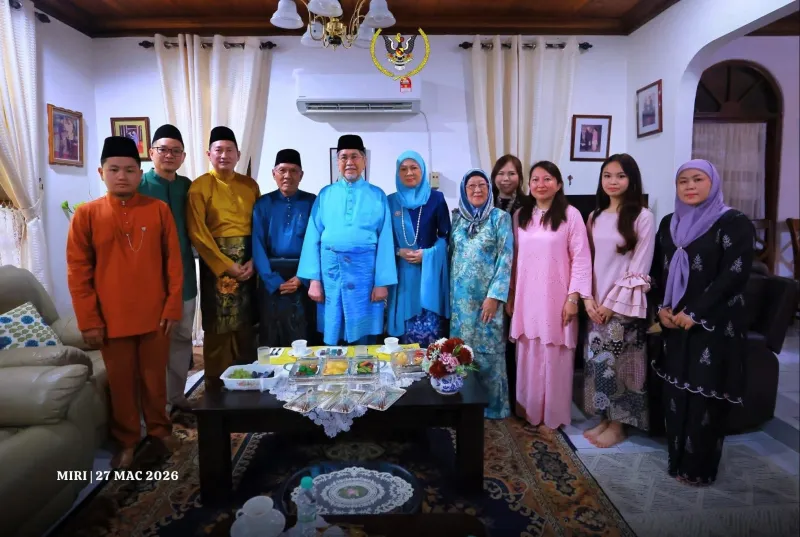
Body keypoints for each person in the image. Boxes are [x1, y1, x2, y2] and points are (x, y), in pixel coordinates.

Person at [66, 136, 183, 469]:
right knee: (121, 384)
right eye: (114, 169)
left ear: (140, 174)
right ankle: (128, 441)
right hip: (110, 318)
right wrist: (89, 321)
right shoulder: (86, 214)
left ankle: (160, 430)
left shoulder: (158, 210)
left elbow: (174, 264)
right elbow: (78, 272)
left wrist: (172, 306)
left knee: (154, 380)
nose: (122, 176)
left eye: (130, 170)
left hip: (155, 315)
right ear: (101, 172)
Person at [650, 159, 753, 486]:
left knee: (705, 398)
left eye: (698, 179)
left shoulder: (733, 222)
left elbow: (733, 276)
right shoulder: (669, 223)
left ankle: (699, 469)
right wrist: (661, 309)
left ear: (713, 183)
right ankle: (676, 461)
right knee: (675, 394)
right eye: (683, 181)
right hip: (675, 325)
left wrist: (695, 313)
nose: (690, 186)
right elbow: (657, 271)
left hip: (715, 325)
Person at [508, 161, 592, 429]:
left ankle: (553, 417)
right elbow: (514, 259)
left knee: (555, 355)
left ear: (558, 184)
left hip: (557, 298)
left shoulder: (571, 215)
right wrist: (511, 294)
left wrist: (573, 298)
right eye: (535, 179)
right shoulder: (520, 215)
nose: (540, 184)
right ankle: (529, 411)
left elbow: (581, 259)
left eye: (547, 179)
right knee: (528, 352)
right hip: (526, 297)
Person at [582, 154, 656, 447]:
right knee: (599, 365)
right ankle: (604, 418)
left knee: (622, 365)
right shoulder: (595, 216)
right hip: (595, 305)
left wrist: (610, 305)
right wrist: (588, 300)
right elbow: (586, 262)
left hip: (623, 305)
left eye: (620, 176)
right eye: (607, 175)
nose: (613, 181)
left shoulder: (643, 217)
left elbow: (639, 267)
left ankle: (619, 426)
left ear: (632, 180)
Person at [298, 134, 397, 345]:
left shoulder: (377, 195)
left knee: (364, 339)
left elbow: (386, 241)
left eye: (354, 156)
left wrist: (382, 283)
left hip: (365, 276)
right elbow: (312, 238)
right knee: (333, 337)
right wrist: (314, 281)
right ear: (338, 162)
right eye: (344, 157)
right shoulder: (325, 194)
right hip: (331, 275)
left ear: (364, 161)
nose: (349, 162)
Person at [187, 126, 260, 390]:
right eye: (218, 150)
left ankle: (250, 382)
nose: (224, 155)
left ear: (238, 154)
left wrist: (255, 261)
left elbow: (259, 226)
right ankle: (216, 388)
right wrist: (225, 265)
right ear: (209, 154)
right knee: (219, 326)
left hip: (248, 265)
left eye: (230, 150)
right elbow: (198, 232)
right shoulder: (199, 187)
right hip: (217, 267)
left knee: (247, 324)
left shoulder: (249, 185)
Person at [137, 124, 197, 415]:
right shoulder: (139, 185)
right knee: (155, 342)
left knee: (182, 338)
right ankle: (156, 405)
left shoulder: (188, 187)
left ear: (183, 156)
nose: (169, 155)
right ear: (151, 153)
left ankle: (177, 396)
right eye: (163, 149)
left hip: (185, 276)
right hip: (150, 280)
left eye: (176, 151)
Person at [450, 169, 513, 419]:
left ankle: (493, 408)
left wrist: (495, 296)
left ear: (489, 189)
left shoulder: (500, 218)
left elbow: (506, 258)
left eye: (482, 185)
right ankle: (464, 405)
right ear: (464, 191)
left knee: (489, 354)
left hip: (487, 300)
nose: (477, 190)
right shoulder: (457, 219)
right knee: (460, 353)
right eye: (471, 186)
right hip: (460, 303)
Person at [252, 149, 318, 347]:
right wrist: (272, 280)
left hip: (303, 275)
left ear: (301, 175)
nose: (287, 175)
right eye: (282, 170)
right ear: (274, 173)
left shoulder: (312, 202)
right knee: (272, 335)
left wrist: (302, 277)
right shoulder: (263, 203)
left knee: (303, 333)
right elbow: (257, 244)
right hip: (271, 276)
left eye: (293, 171)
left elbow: (316, 243)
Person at [386, 150, 451, 346]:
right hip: (402, 276)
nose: (409, 173)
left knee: (430, 338)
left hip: (428, 275)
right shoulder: (390, 201)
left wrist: (428, 255)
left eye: (414, 168)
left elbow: (446, 236)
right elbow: (384, 239)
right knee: (403, 340)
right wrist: (398, 251)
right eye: (403, 169)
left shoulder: (436, 199)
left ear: (422, 170)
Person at [490, 154, 526, 412]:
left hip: (520, 278)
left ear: (520, 177)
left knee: (515, 338)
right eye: (501, 173)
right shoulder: (485, 203)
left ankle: (516, 396)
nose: (506, 178)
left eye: (511, 173)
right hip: (490, 281)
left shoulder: (529, 206)